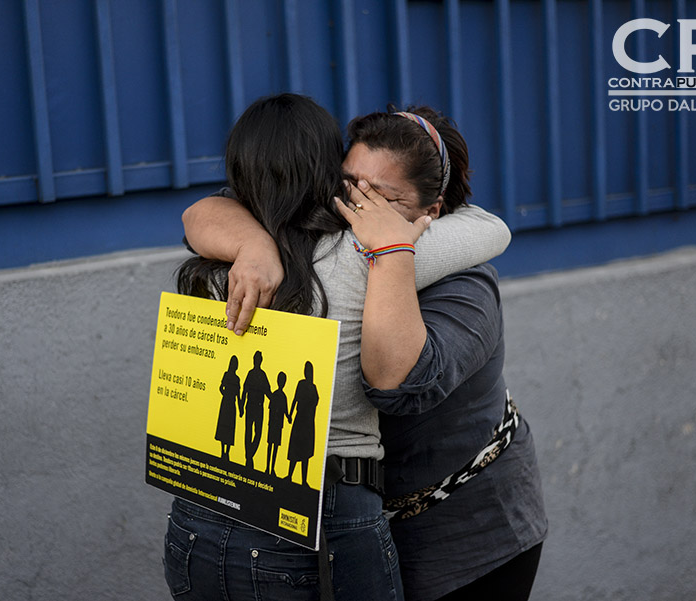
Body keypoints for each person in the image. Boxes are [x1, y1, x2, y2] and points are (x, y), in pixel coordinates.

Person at [184, 104, 547, 601]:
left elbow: (400, 385)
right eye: (350, 184)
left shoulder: (464, 281)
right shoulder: (314, 246)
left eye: (384, 196)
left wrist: (389, 253)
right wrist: (253, 245)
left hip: (468, 532)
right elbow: (204, 211)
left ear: (432, 212)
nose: (360, 205)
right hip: (361, 518)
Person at [285, 361, 319, 487]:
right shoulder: (303, 384)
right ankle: (290, 475)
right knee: (295, 449)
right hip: (301, 420)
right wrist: (290, 414)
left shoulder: (312, 387)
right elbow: (295, 399)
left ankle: (304, 480)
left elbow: (313, 403)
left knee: (305, 452)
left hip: (307, 422)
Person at [240, 350, 270, 468]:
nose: (256, 361)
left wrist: (275, 399)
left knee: (258, 433)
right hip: (250, 406)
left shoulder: (262, 375)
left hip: (259, 407)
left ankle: (250, 454)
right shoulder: (250, 374)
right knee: (248, 431)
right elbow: (244, 390)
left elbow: (268, 391)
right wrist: (241, 406)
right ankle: (248, 456)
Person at [214, 355, 242, 460]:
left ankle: (227, 452)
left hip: (230, 404)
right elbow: (221, 387)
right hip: (226, 403)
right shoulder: (227, 375)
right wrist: (225, 394)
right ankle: (222, 451)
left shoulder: (236, 379)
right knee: (225, 426)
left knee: (229, 427)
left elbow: (238, 395)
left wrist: (240, 409)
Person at [264, 371, 290, 476]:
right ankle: (268, 467)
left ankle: (272, 467)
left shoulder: (282, 396)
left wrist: (288, 417)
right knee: (271, 446)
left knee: (274, 446)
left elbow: (285, 410)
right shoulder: (277, 395)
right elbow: (272, 408)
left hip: (277, 424)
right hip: (275, 424)